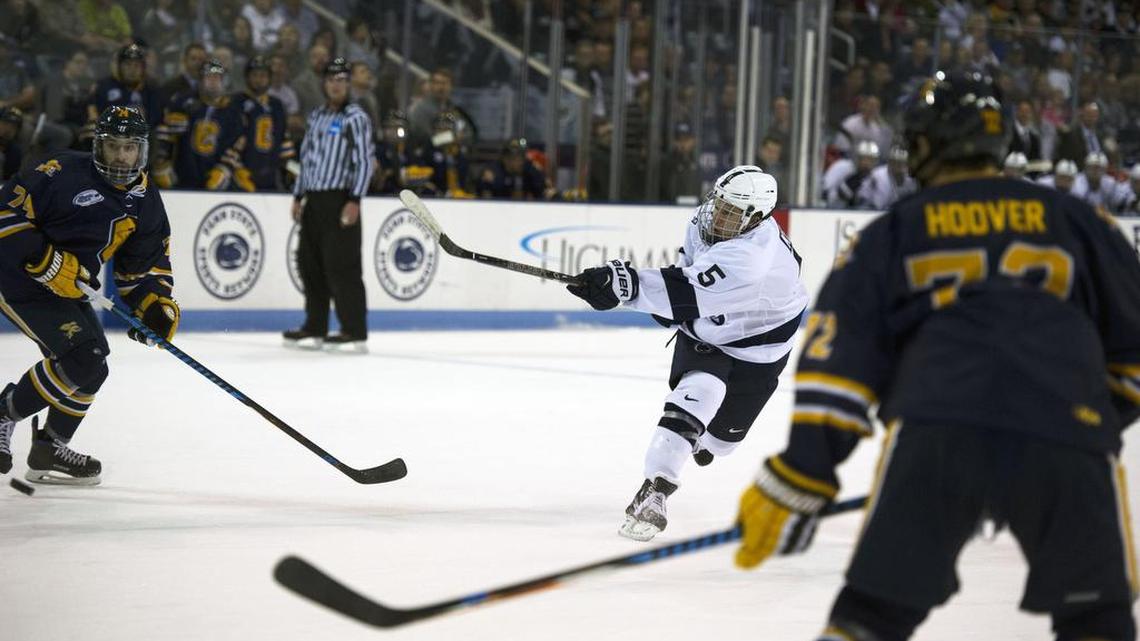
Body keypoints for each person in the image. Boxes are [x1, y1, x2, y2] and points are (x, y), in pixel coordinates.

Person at [733, 71, 1140, 641]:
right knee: (1098, 618)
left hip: (936, 428)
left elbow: (838, 362)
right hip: (1067, 433)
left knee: (870, 615)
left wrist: (805, 469)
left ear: (932, 142)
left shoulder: (896, 230)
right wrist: (1081, 417)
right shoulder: (1079, 221)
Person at [567, 165, 808, 542]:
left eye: (731, 211)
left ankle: (703, 441)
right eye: (719, 203)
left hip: (759, 351)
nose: (717, 214)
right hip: (708, 333)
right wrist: (651, 299)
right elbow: (687, 274)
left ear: (757, 217)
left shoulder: (753, 259)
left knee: (719, 444)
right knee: (696, 397)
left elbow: (687, 291)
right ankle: (656, 490)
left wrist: (622, 284)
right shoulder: (704, 221)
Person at [0, 106, 178, 484]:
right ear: (98, 145)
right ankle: (4, 413)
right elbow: (5, 212)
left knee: (94, 367)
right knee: (83, 358)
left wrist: (154, 305)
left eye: (130, 148)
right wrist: (42, 258)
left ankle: (49, 449)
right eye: (113, 146)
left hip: (69, 287)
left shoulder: (146, 200)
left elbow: (141, 269)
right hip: (16, 280)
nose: (121, 156)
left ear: (142, 151)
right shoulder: (59, 171)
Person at [284, 58, 375, 353]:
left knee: (342, 266)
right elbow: (306, 158)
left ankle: (354, 329)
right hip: (314, 199)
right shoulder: (317, 116)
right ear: (324, 83)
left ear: (348, 84)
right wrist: (299, 195)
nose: (336, 84)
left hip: (340, 199)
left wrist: (355, 200)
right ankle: (316, 325)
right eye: (331, 79)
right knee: (310, 264)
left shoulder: (355, 117)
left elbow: (364, 161)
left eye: (341, 79)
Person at [152, 60, 249, 190]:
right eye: (209, 77)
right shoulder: (183, 102)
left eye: (217, 77)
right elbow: (165, 132)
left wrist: (224, 169)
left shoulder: (233, 111)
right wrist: (161, 162)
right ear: (201, 80)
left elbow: (236, 145)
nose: (213, 81)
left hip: (215, 179)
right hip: (181, 177)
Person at [234, 56, 294, 191]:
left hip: (270, 177)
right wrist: (234, 169)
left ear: (270, 78)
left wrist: (287, 172)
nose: (259, 79)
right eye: (254, 75)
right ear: (246, 77)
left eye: (263, 75)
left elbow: (284, 141)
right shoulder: (236, 102)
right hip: (240, 176)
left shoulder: (276, 105)